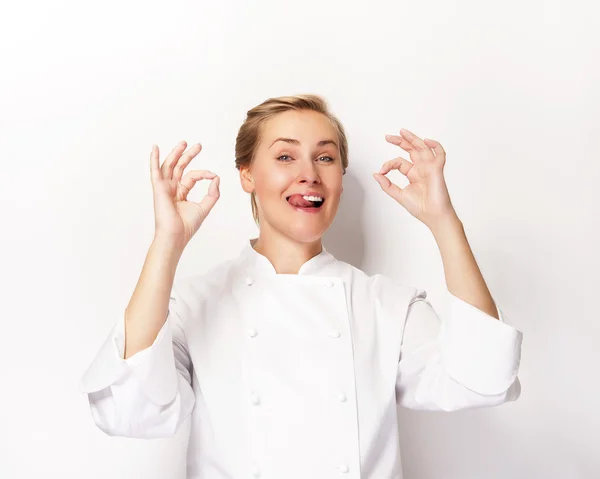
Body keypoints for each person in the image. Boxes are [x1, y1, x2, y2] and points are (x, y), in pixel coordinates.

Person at [79, 94, 523, 479]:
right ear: (247, 174)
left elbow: (482, 379)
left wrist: (444, 222)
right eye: (286, 156)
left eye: (325, 157)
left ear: (340, 179)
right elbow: (129, 412)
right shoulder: (195, 304)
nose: (309, 173)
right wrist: (167, 243)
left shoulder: (385, 305)